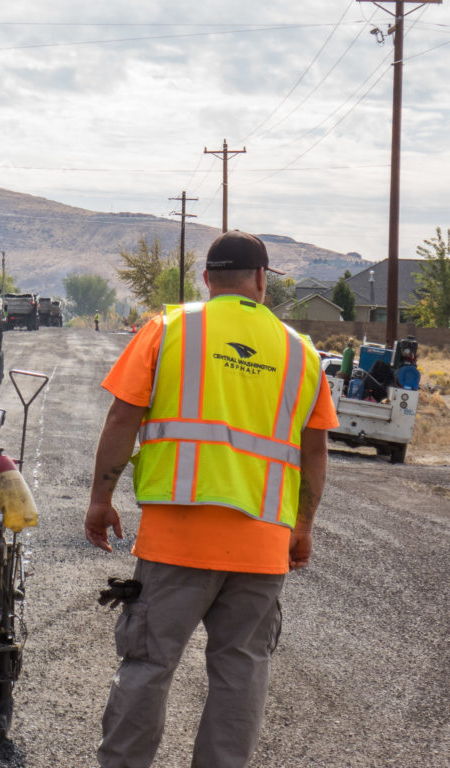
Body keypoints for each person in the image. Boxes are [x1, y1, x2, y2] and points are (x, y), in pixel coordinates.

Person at [84, 230, 339, 768]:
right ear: (262, 280)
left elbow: (123, 416)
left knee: (149, 666)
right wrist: (303, 525)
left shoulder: (169, 328)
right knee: (240, 675)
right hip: (263, 547)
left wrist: (100, 498)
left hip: (176, 541)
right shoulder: (302, 353)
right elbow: (314, 451)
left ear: (206, 278)